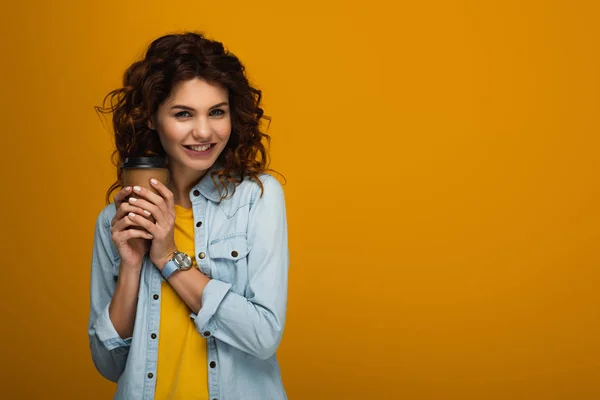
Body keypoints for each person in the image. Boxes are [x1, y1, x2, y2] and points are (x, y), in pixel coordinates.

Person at [88, 31, 289, 400]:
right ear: (151, 118)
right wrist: (132, 265)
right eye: (183, 114)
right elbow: (109, 365)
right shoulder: (116, 222)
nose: (203, 131)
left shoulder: (255, 200)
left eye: (217, 112)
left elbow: (262, 336)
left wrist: (167, 259)